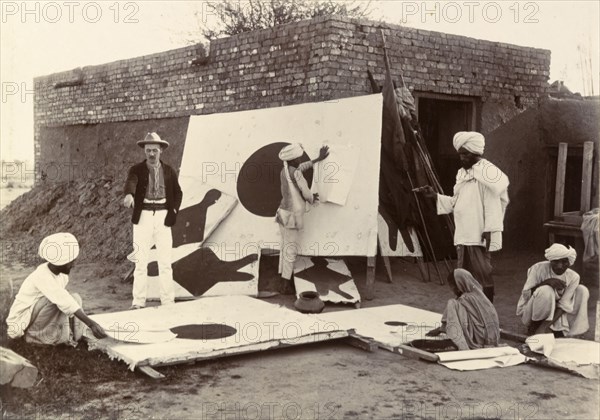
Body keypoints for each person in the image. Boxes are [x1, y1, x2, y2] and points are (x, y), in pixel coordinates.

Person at [419, 131, 509, 302]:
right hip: (464, 233)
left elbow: (493, 205)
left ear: (477, 152)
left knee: (483, 273)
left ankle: (487, 308)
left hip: (479, 234)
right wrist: (435, 196)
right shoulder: (462, 174)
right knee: (463, 274)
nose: (462, 158)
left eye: (466, 154)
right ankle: (466, 306)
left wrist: (489, 230)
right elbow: (456, 202)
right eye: (460, 154)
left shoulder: (487, 174)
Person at [6, 233, 107, 345]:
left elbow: (67, 301)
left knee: (75, 298)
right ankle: (34, 336)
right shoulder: (42, 275)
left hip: (38, 311)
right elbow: (64, 301)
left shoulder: (62, 275)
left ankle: (75, 336)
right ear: (60, 263)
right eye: (70, 262)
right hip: (23, 319)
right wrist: (91, 323)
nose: (73, 265)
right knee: (57, 302)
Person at [123, 132, 183, 309]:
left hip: (164, 217)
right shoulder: (136, 169)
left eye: (154, 150)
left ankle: (168, 301)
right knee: (141, 261)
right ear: (144, 151)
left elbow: (178, 193)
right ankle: (138, 301)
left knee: (165, 262)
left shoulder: (169, 171)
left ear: (161, 151)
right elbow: (131, 182)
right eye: (148, 150)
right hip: (143, 218)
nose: (151, 154)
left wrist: (173, 210)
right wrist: (128, 194)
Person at [276, 144, 329, 294]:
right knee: (290, 250)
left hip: (282, 213)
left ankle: (282, 277)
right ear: (293, 159)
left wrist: (317, 159)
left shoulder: (285, 170)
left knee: (284, 247)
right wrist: (313, 198)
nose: (300, 158)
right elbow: (306, 192)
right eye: (298, 157)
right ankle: (285, 283)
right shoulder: (296, 173)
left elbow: (300, 169)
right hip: (292, 215)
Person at [516, 243, 589, 337]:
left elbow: (564, 304)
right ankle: (534, 327)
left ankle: (573, 331)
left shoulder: (573, 277)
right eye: (556, 261)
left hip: (556, 315)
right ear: (550, 261)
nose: (560, 266)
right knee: (546, 290)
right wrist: (546, 282)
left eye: (564, 262)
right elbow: (526, 295)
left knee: (582, 290)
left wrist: (544, 327)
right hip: (532, 313)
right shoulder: (538, 268)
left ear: (569, 262)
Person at [426, 269, 500, 351]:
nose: (452, 290)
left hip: (480, 338)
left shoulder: (466, 299)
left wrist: (442, 329)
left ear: (459, 285)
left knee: (452, 304)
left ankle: (459, 342)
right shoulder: (479, 293)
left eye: (453, 287)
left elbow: (456, 318)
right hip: (491, 338)